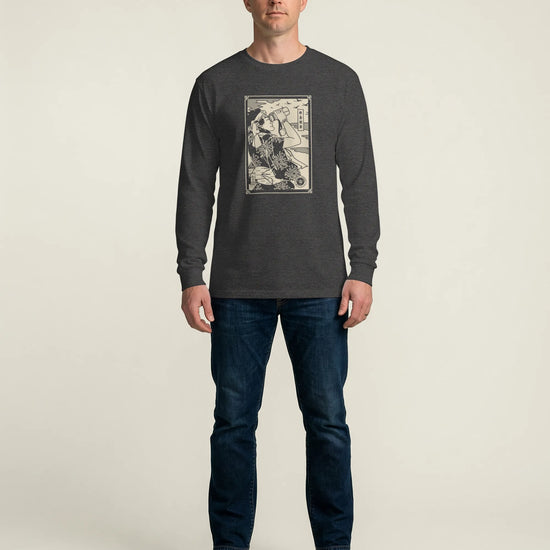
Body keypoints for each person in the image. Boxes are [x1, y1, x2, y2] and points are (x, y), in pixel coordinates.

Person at [175, 1, 381, 549]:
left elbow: (359, 180)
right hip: (237, 289)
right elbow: (196, 184)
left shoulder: (338, 82)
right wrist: (191, 272)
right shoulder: (215, 85)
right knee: (233, 425)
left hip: (321, 286)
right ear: (246, 1)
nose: (275, 1)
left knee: (328, 424)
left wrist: (362, 267)